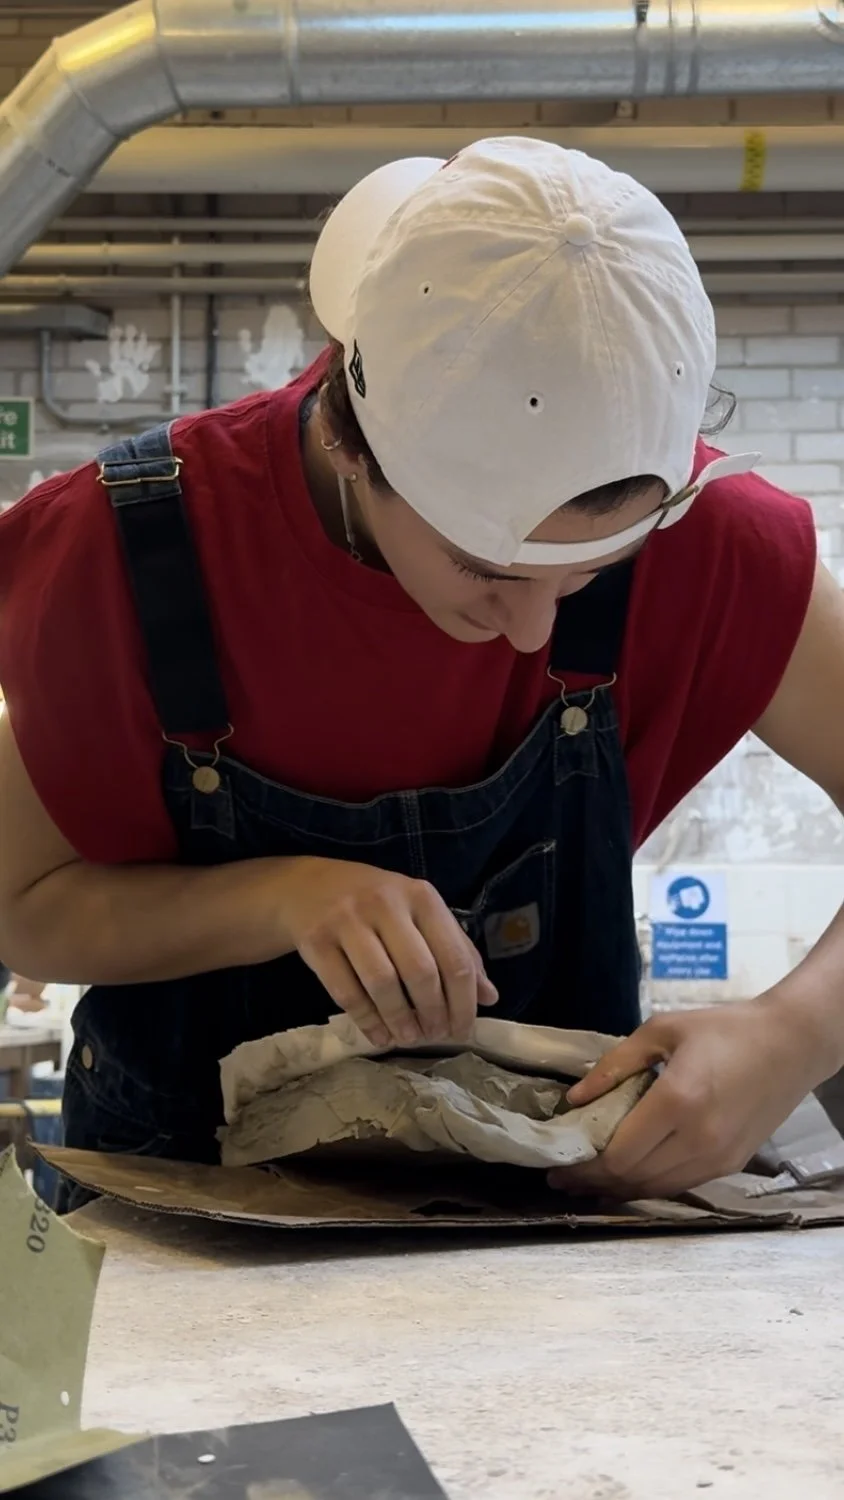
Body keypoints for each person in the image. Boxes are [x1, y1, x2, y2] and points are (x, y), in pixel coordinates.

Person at [0, 136, 842, 1210]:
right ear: (350, 443)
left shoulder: (717, 544)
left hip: (537, 1245)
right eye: (485, 567)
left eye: (595, 572)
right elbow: (23, 909)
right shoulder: (128, 555)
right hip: (180, 1233)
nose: (534, 632)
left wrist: (796, 1032)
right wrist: (282, 897)